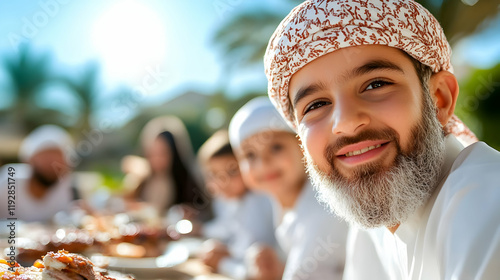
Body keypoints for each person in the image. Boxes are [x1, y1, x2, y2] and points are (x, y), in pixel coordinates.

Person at [264, 0, 500, 279]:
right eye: (315, 105)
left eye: (376, 84)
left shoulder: (488, 199)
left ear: (439, 99)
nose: (346, 124)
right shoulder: (372, 228)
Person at [228, 97, 349, 280]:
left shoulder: (321, 210)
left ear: (302, 146)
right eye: (250, 155)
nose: (263, 163)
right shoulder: (287, 205)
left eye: (276, 147)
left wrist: (225, 265)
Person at [196, 129, 276, 280]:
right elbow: (227, 228)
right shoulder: (228, 200)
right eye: (213, 174)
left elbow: (257, 271)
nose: (222, 182)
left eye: (232, 171)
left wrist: (222, 261)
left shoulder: (258, 201)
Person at [123, 116, 209, 220]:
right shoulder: (144, 178)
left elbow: (204, 211)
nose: (157, 160)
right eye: (152, 154)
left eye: (162, 154)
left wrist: (190, 213)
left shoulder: (188, 182)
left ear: (175, 153)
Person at [0, 125, 78, 222]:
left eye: (59, 156)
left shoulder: (65, 184)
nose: (53, 163)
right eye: (47, 156)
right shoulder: (9, 179)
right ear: (29, 159)